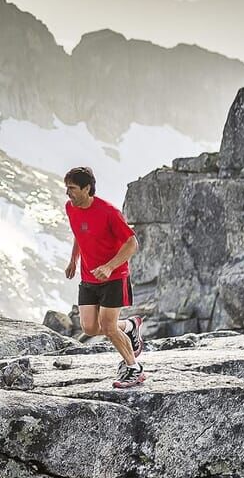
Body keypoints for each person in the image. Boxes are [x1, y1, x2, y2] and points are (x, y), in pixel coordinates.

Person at [62, 166, 145, 388]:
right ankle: (129, 326)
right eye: (67, 188)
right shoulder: (71, 208)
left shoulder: (109, 212)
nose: (68, 193)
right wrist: (73, 260)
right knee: (89, 328)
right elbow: (80, 233)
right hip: (89, 278)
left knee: (108, 327)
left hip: (114, 277)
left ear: (87, 188)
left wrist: (109, 267)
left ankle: (134, 369)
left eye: (72, 188)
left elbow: (132, 243)